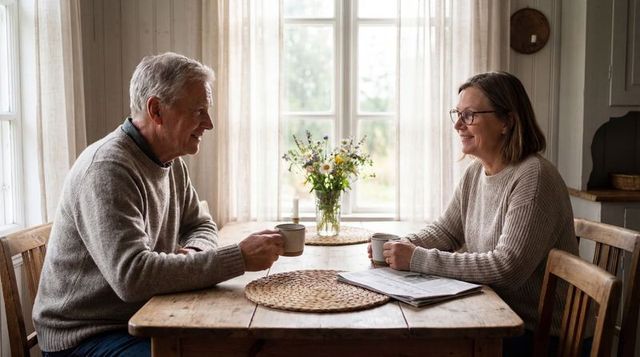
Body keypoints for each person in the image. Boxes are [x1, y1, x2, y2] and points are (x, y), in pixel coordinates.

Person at [33, 52, 285, 356]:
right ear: (156, 110)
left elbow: (200, 223)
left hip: (141, 317)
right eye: (199, 111)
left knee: (240, 345)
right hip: (87, 336)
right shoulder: (107, 169)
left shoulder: (170, 161)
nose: (209, 123)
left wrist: (194, 252)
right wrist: (238, 259)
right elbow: (132, 277)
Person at [373, 71, 579, 356]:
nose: (458, 125)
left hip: (537, 336)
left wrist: (417, 258)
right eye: (457, 114)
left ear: (507, 121)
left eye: (470, 115)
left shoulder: (534, 177)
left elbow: (507, 269)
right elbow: (446, 231)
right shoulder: (475, 172)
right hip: (496, 313)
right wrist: (397, 246)